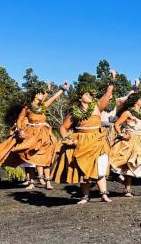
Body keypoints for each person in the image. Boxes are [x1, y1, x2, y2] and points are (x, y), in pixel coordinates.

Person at [50, 70, 117, 204]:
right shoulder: (74, 112)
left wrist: (112, 79)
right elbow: (63, 128)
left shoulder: (98, 107)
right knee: (84, 169)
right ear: (80, 98)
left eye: (90, 94)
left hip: (98, 140)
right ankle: (85, 196)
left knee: (100, 167)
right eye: (87, 94)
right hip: (82, 142)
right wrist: (68, 139)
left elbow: (108, 94)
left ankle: (103, 194)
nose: (90, 96)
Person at [0, 82, 68, 190]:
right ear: (35, 95)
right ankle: (31, 181)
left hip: (45, 134)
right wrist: (20, 131)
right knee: (31, 157)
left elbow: (53, 98)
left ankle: (47, 181)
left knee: (46, 156)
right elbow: (19, 121)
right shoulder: (27, 108)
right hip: (31, 134)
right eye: (41, 94)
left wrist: (62, 89)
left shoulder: (43, 106)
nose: (43, 95)